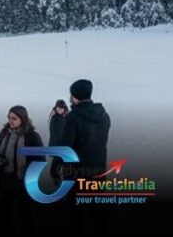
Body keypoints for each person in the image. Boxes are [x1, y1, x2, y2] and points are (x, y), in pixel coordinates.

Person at [59, 79, 110, 236]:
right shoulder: (104, 116)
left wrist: (56, 168)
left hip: (77, 174)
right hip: (98, 171)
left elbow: (65, 149)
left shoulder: (73, 117)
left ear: (74, 96)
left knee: (76, 216)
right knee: (98, 213)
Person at [0, 105, 43, 236]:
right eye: (9, 118)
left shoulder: (32, 136)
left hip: (23, 182)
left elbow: (40, 160)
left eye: (14, 118)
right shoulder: (4, 133)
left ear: (23, 119)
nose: (10, 121)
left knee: (25, 215)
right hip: (6, 179)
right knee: (1, 212)